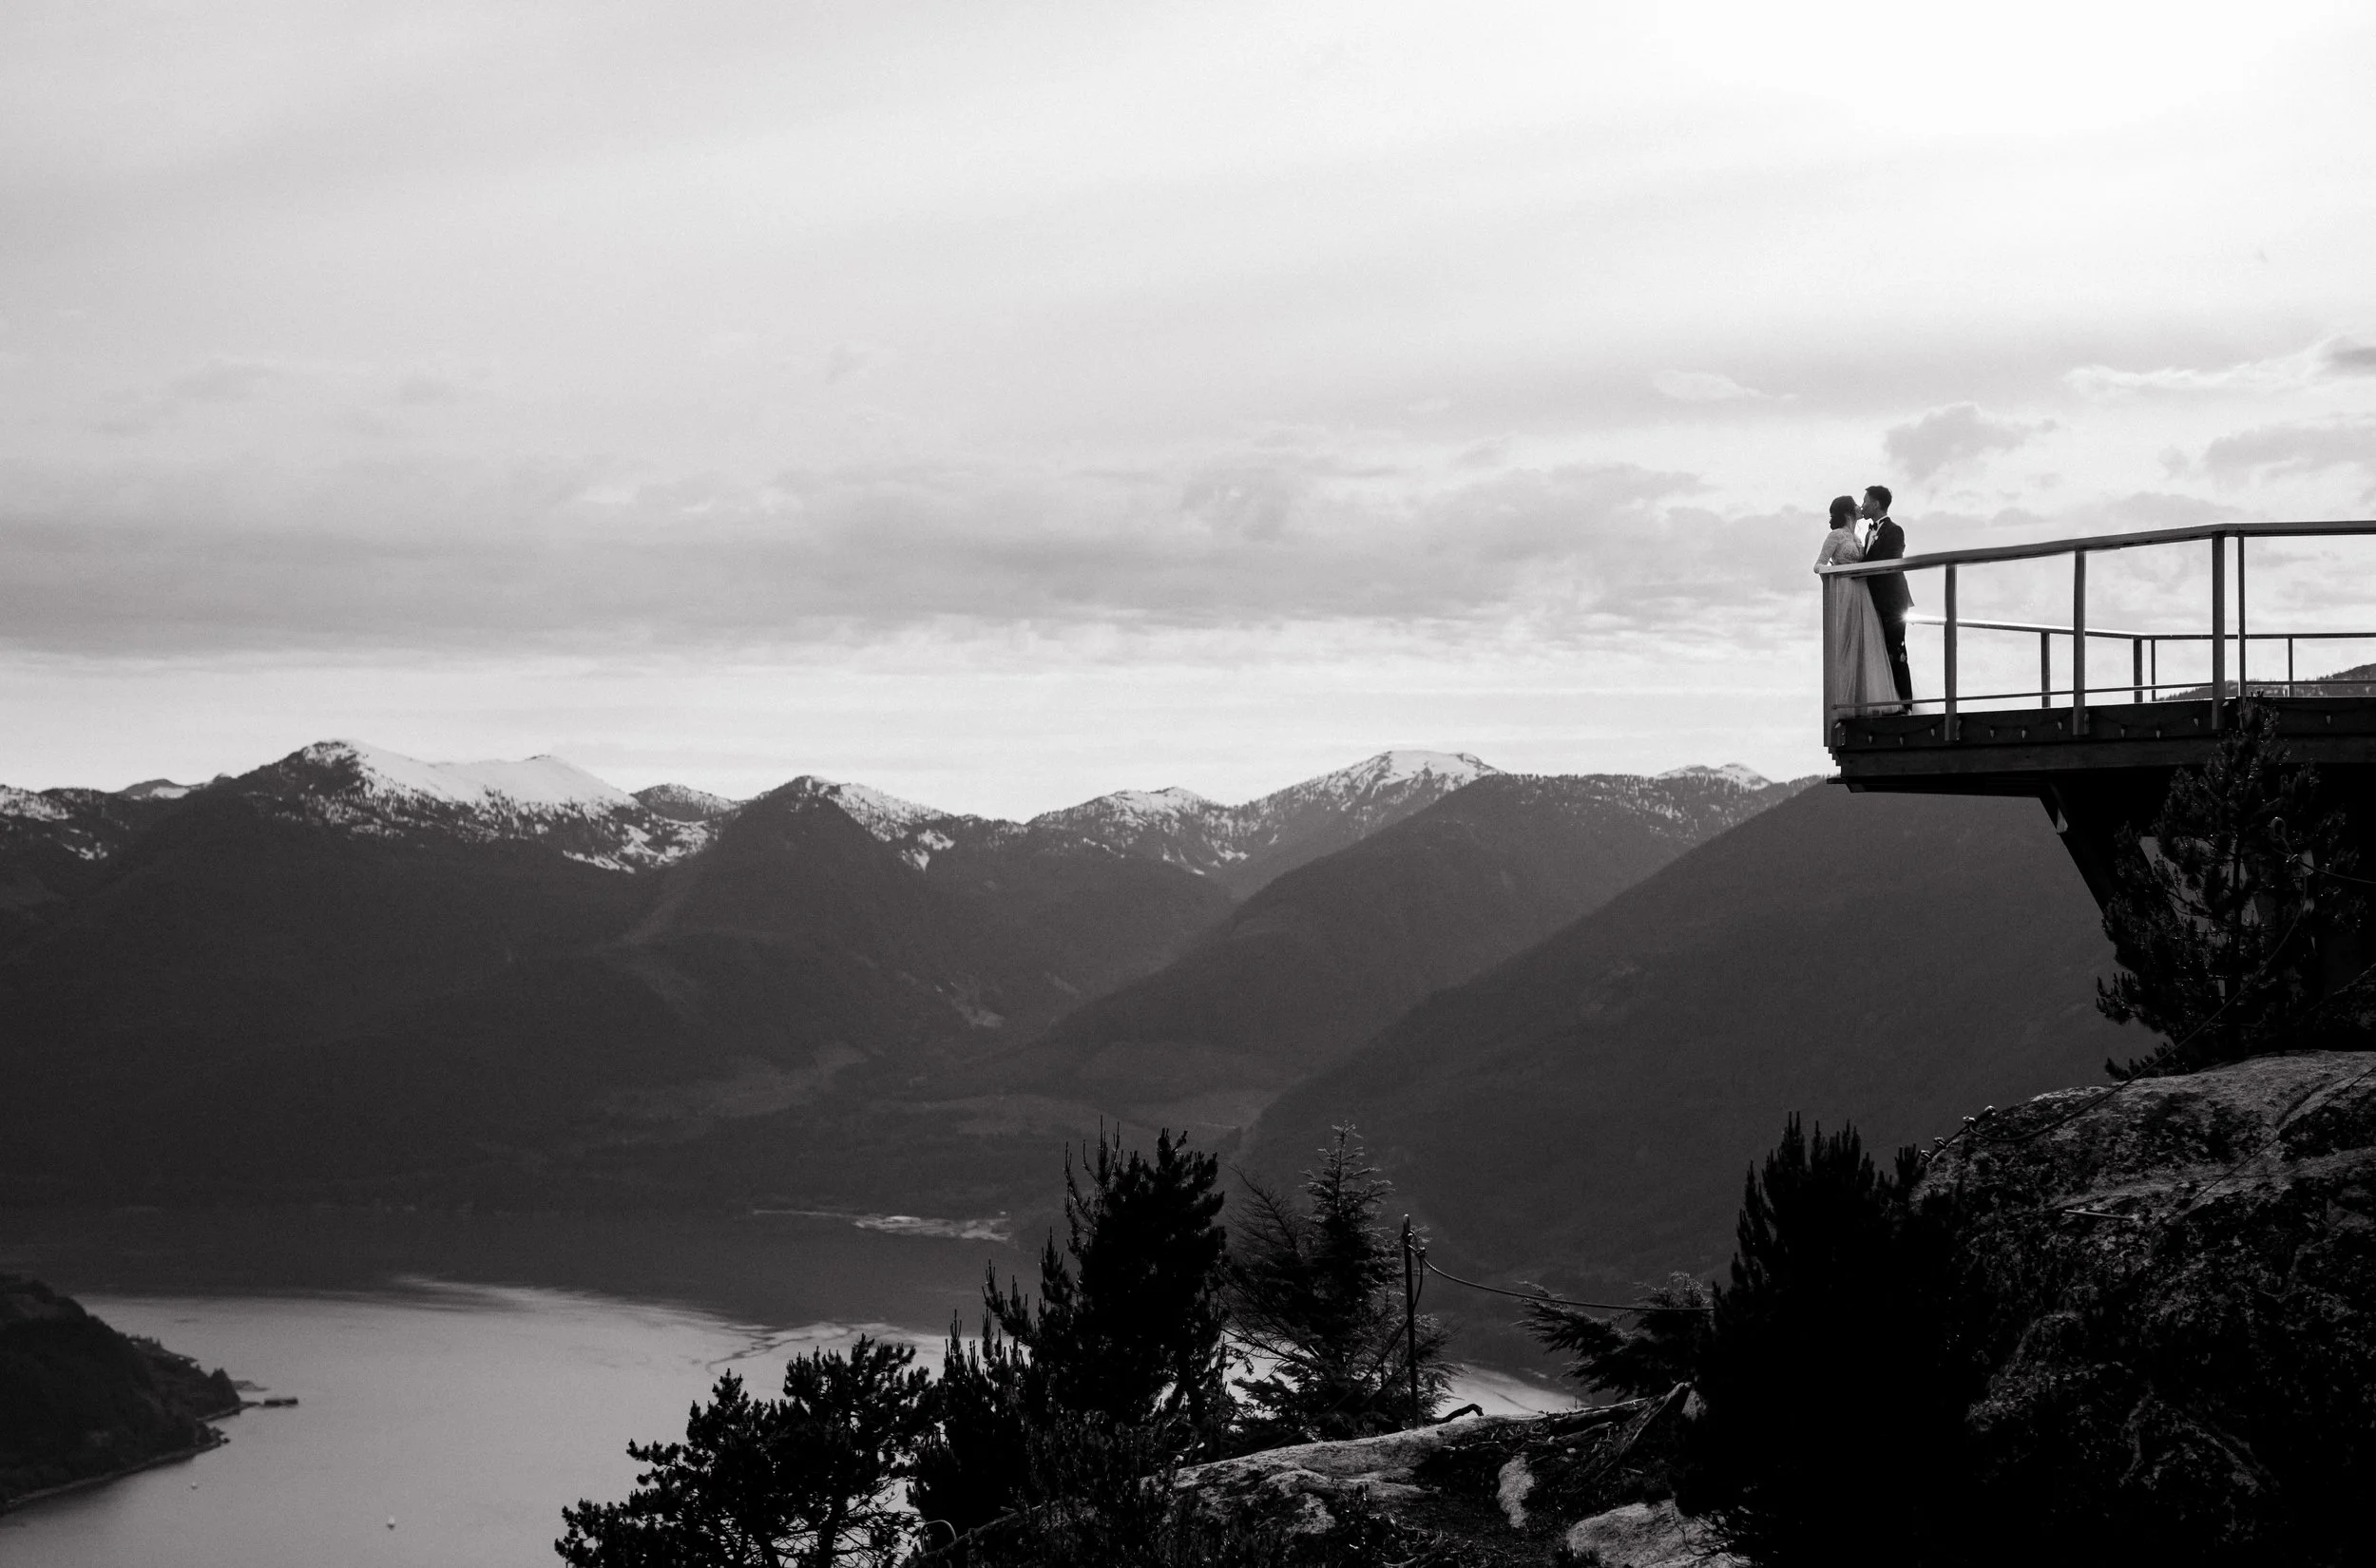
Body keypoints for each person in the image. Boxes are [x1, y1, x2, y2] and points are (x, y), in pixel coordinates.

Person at [1816, 494, 1899, 723]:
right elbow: (1819, 565)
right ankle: (1845, 701)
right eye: (1855, 504)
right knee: (1847, 643)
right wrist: (1838, 579)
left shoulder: (1857, 536)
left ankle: (1867, 698)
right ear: (1848, 511)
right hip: (1847, 591)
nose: (1859, 506)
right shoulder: (1836, 536)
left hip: (1863, 593)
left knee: (1866, 642)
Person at [1858, 485, 1913, 704]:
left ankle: (1906, 703)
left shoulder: (1894, 531)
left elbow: (1889, 560)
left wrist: (1860, 566)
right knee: (1882, 651)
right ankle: (1892, 700)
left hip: (1893, 601)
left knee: (1897, 650)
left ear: (1876, 504)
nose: (1862, 506)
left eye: (1865, 501)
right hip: (1876, 600)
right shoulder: (1868, 533)